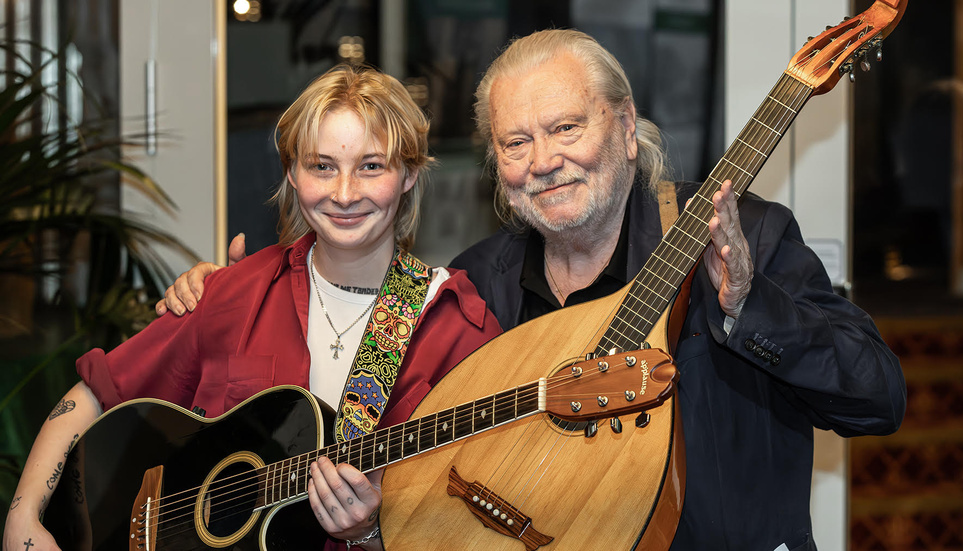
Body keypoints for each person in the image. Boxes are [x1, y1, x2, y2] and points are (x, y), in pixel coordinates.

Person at [156, 30, 906, 551]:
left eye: (566, 127)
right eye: (516, 142)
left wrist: (747, 305)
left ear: (624, 124)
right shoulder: (478, 284)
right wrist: (212, 294)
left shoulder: (743, 238)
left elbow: (877, 397)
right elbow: (423, 459)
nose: (544, 161)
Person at [2, 64, 501, 551]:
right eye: (321, 166)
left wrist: (368, 535)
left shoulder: (457, 328)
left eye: (371, 166)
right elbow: (92, 395)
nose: (344, 194)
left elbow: (477, 526)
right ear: (291, 172)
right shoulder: (235, 292)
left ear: (409, 174)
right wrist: (22, 517)